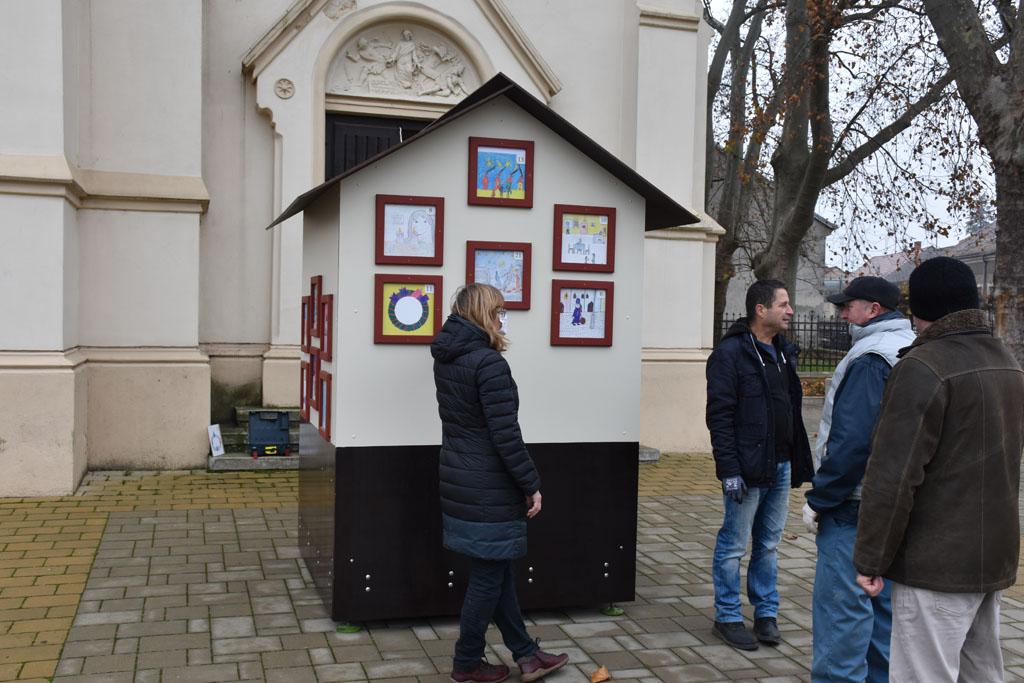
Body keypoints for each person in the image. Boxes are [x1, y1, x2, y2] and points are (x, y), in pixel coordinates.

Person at [853, 257, 1024, 682]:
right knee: (982, 675)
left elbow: (893, 476)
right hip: (991, 556)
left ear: (920, 308)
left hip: (936, 563)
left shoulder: (924, 367)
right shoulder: (1007, 361)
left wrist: (871, 558)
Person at [432, 283, 569, 683]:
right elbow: (504, 435)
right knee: (488, 578)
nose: (501, 319)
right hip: (489, 484)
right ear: (484, 314)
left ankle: (526, 655)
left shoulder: (448, 357)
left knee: (497, 570)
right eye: (498, 312)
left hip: (460, 476)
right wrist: (530, 484)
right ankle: (466, 663)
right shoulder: (488, 363)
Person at [803, 277, 915, 682]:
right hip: (892, 503)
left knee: (843, 619)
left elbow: (852, 442)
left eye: (848, 307)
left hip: (853, 505)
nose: (842, 314)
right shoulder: (911, 347)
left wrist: (820, 499)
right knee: (884, 618)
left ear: (873, 310)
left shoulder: (870, 357)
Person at [705, 279, 815, 650]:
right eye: (783, 304)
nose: (790, 311)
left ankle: (766, 614)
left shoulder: (784, 351)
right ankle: (727, 616)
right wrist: (729, 471)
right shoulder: (731, 354)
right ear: (760, 309)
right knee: (734, 545)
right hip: (747, 469)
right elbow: (719, 416)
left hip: (780, 466)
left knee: (768, 544)